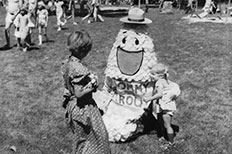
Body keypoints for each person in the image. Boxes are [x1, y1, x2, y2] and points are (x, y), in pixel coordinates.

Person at [61, 30, 111, 154]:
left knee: (83, 139)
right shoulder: (79, 69)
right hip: (83, 108)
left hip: (72, 107)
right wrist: (93, 86)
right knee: (99, 137)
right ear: (84, 50)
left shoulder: (68, 63)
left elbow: (70, 86)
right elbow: (78, 93)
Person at [142, 63, 181, 148]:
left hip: (165, 107)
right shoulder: (165, 80)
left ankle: (171, 143)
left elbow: (160, 94)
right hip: (165, 105)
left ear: (160, 76)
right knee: (161, 122)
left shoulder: (159, 82)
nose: (151, 76)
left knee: (167, 125)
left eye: (153, 74)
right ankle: (162, 136)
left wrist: (149, 99)